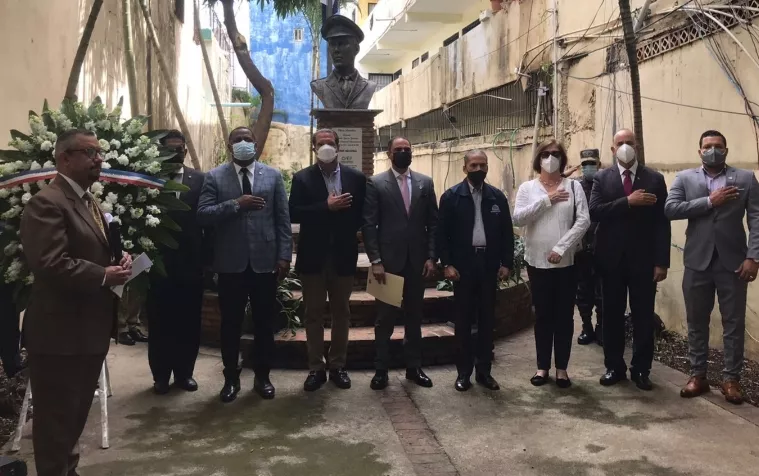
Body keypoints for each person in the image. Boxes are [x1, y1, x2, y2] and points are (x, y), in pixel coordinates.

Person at [19, 129, 132, 476]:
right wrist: (102, 275)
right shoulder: (47, 203)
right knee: (55, 424)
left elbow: (90, 249)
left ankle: (68, 470)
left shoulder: (87, 200)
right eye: (89, 152)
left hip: (85, 332)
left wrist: (119, 260)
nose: (99, 159)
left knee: (73, 419)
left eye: (99, 152)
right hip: (59, 336)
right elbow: (51, 262)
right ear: (64, 158)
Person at [197, 126, 292, 403]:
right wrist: (236, 204)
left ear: (255, 144)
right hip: (230, 264)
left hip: (265, 263)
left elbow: (282, 220)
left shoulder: (272, 176)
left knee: (264, 324)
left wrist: (284, 256)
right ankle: (230, 378)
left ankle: (263, 377)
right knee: (231, 324)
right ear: (229, 145)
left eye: (247, 139)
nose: (243, 143)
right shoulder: (215, 177)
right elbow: (203, 215)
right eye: (237, 139)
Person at [664, 130, 759, 404]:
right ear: (699, 151)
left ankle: (731, 380)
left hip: (734, 263)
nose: (713, 150)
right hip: (697, 262)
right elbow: (671, 209)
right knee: (696, 321)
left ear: (726, 150)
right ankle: (698, 376)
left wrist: (753, 257)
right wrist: (709, 201)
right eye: (708, 146)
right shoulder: (685, 178)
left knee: (734, 323)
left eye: (718, 146)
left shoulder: (744, 179)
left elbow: (756, 219)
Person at [590, 128, 671, 391]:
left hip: (644, 262)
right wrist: (628, 201)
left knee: (643, 317)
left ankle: (641, 370)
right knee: (611, 316)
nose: (625, 147)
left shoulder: (655, 178)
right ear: (613, 150)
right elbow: (595, 212)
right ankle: (614, 367)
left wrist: (662, 262)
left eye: (629, 142)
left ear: (637, 147)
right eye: (620, 143)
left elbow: (662, 223)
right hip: (610, 261)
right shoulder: (602, 178)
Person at [289, 129, 367, 391]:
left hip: (343, 256)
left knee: (341, 313)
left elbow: (363, 215)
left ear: (338, 146)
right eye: (320, 143)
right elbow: (293, 212)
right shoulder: (302, 179)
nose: (325, 146)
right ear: (314, 147)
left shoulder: (356, 178)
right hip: (313, 257)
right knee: (313, 314)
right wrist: (326, 206)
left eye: (330, 143)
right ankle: (315, 368)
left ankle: (338, 365)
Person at [513, 140, 590, 388]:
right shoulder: (528, 188)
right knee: (543, 315)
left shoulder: (574, 187)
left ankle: (562, 369)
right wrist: (548, 199)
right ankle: (542, 367)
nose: (550, 158)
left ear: (563, 158)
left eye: (555, 154)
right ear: (538, 158)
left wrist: (561, 248)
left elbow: (583, 221)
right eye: (545, 154)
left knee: (564, 317)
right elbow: (519, 218)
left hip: (565, 263)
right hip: (537, 262)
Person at [363, 137, 438, 390]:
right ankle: (381, 369)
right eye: (399, 150)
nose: (404, 153)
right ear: (389, 153)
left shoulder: (425, 183)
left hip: (417, 263)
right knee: (384, 320)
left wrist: (431, 257)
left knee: (414, 318)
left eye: (407, 149)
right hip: (387, 265)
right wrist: (375, 260)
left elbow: (433, 224)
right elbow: (369, 225)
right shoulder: (375, 183)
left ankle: (414, 368)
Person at [437, 150, 513, 391]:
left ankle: (484, 372)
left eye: (483, 165)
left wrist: (506, 263)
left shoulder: (497, 198)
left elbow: (506, 234)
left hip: (489, 265)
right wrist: (447, 264)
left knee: (487, 320)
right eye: (474, 165)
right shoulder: (451, 197)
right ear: (465, 167)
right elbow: (442, 236)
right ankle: (463, 373)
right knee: (463, 321)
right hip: (463, 267)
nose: (478, 169)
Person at [147, 130, 211, 395]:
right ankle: (160, 376)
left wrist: (208, 262)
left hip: (191, 263)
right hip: (158, 264)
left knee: (188, 321)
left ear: (186, 150)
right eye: (171, 149)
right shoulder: (149, 178)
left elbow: (207, 222)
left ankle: (185, 373)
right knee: (160, 322)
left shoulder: (200, 180)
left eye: (180, 148)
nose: (177, 153)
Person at [310, 15, 377, 109]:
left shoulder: (369, 86)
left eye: (342, 44)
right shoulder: (320, 86)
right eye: (332, 44)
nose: (336, 50)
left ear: (356, 48)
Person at [574, 149, 603, 346]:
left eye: (591, 163)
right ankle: (587, 327)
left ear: (599, 164)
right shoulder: (575, 186)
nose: (588, 167)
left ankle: (602, 328)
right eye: (584, 164)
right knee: (583, 291)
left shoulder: (607, 183)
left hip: (603, 246)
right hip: (581, 247)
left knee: (602, 291)